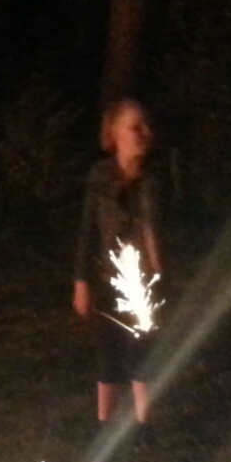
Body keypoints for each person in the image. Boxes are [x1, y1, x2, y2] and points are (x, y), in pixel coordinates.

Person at [72, 99, 164, 428]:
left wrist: (162, 281)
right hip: (107, 279)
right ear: (115, 135)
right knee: (109, 351)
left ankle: (144, 427)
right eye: (135, 127)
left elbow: (159, 232)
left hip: (146, 282)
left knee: (142, 351)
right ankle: (103, 425)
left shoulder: (154, 179)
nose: (145, 133)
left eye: (146, 126)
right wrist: (81, 282)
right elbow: (88, 230)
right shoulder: (100, 177)